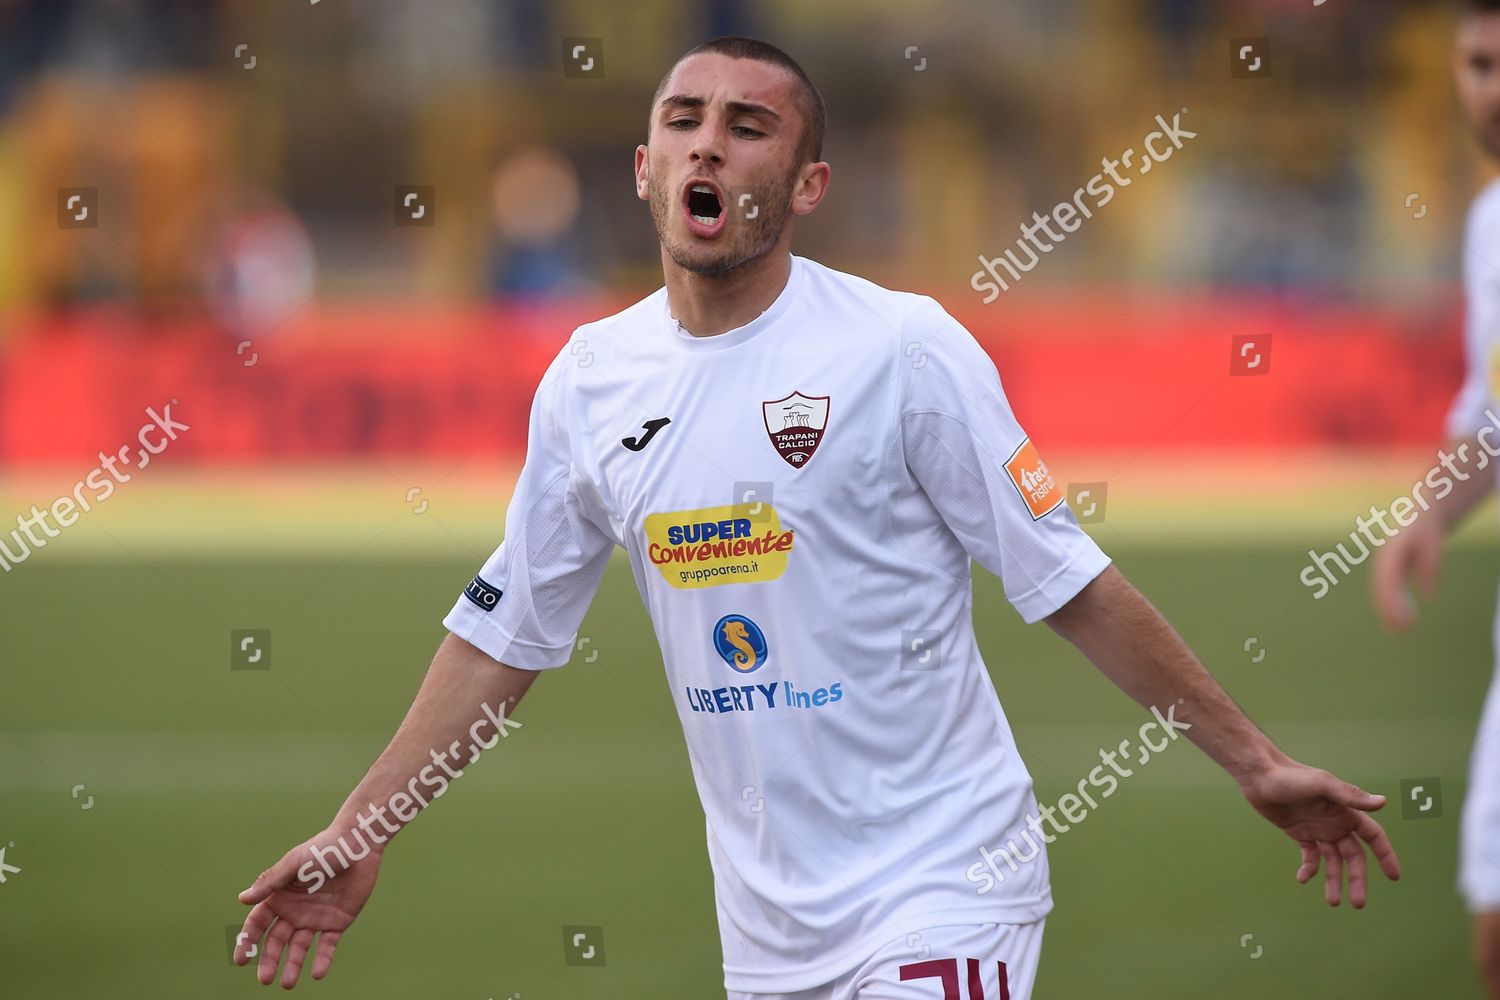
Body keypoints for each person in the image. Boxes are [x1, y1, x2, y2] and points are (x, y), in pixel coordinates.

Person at [235, 35, 1401, 998]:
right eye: (684, 119)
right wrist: (360, 829)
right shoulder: (589, 381)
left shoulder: (903, 349)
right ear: (644, 168)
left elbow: (1068, 581)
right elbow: (505, 633)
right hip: (767, 934)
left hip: (946, 883)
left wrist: (1254, 761)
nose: (708, 141)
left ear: (808, 186)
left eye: (748, 126)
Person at [1373, 3, 1500, 995]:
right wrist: (1429, 514)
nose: (1494, 91)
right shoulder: (1491, 224)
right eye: (1480, 64)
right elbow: (1490, 419)